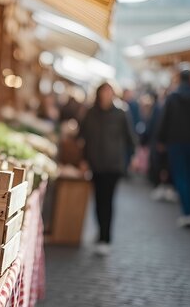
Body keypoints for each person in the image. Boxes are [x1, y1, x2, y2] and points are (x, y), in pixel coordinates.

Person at [79, 82, 135, 256]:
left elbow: (130, 137)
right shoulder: (90, 112)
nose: (106, 94)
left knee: (108, 201)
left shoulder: (121, 112)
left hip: (114, 165)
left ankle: (106, 238)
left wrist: (132, 158)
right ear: (98, 93)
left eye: (109, 91)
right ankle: (101, 229)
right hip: (95, 163)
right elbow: (82, 136)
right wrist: (83, 159)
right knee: (97, 200)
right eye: (103, 91)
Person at [157, 67, 190, 228]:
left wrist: (161, 139)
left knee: (181, 176)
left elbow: (164, 120)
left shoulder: (172, 98)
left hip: (176, 142)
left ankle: (187, 211)